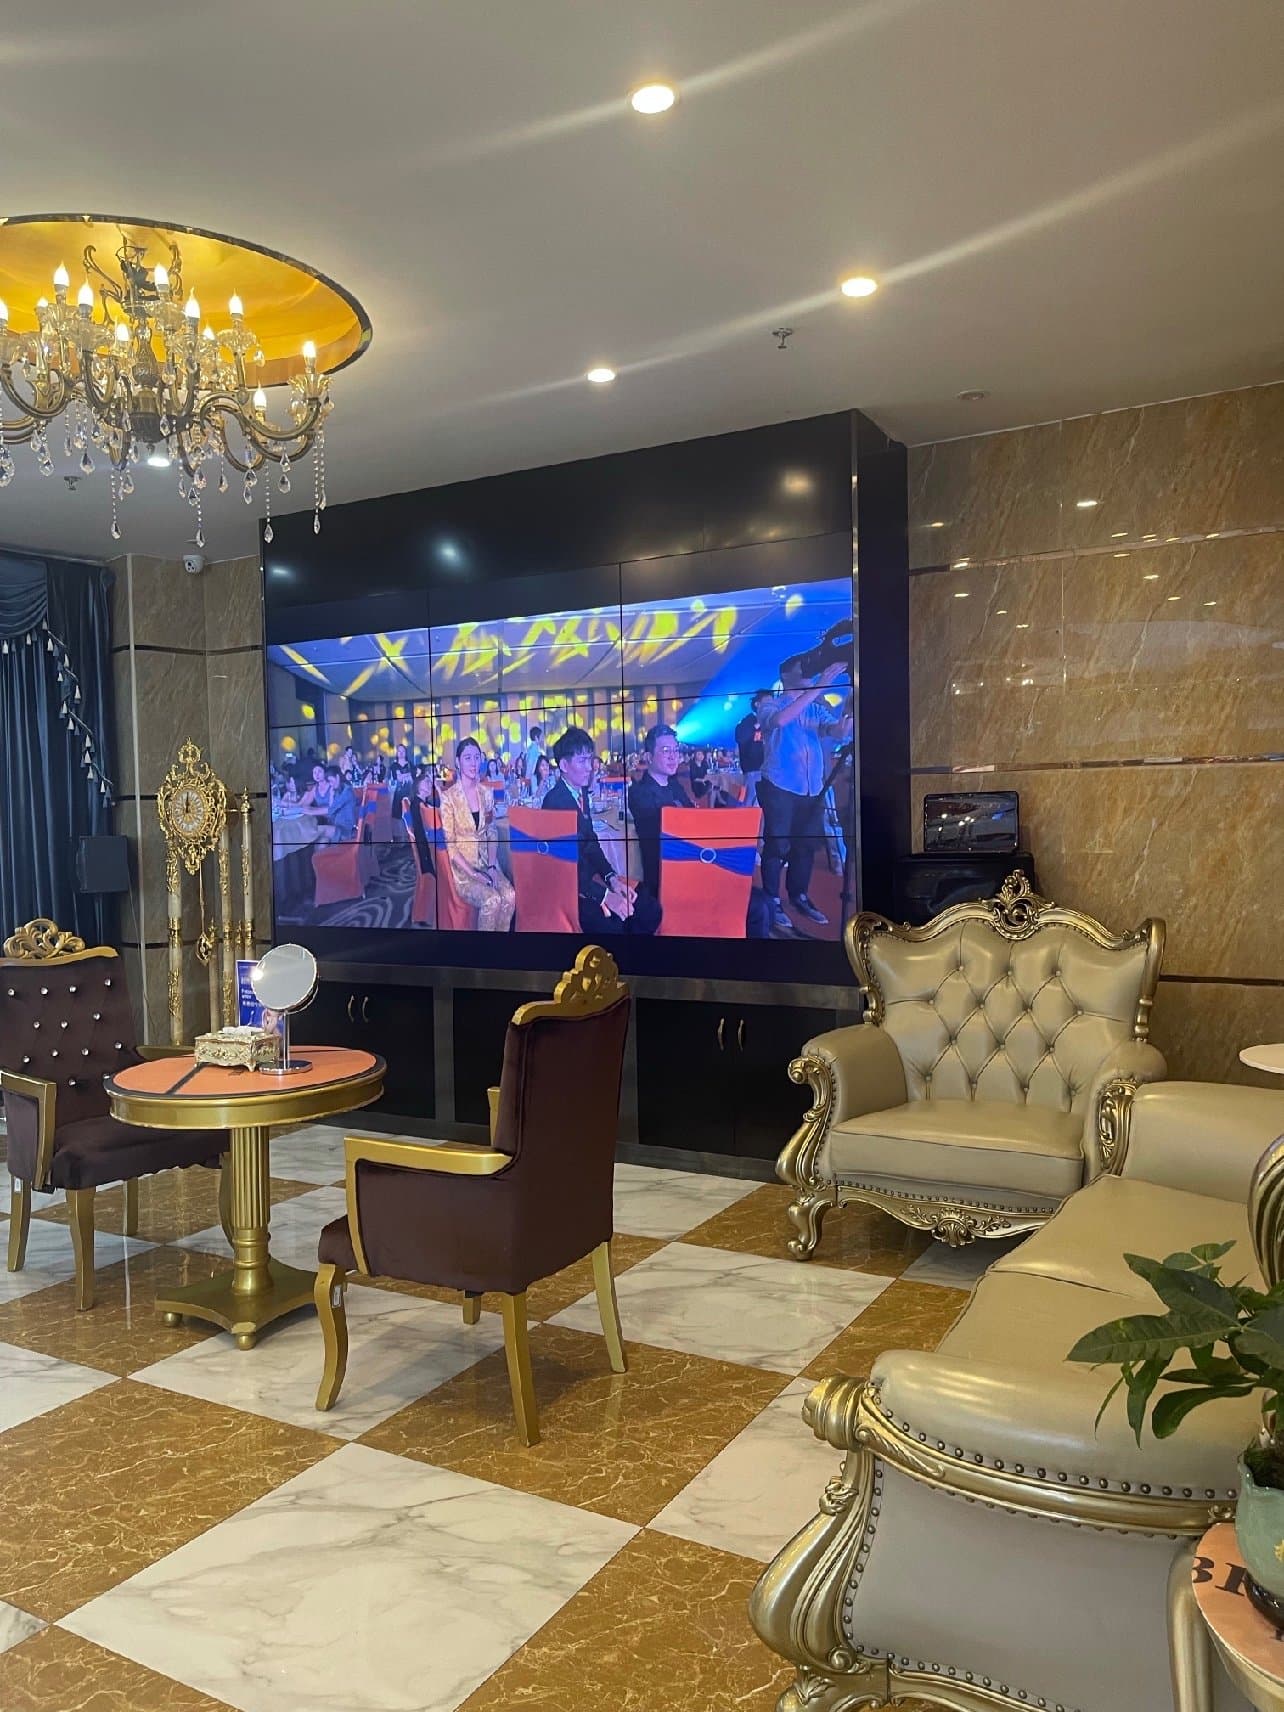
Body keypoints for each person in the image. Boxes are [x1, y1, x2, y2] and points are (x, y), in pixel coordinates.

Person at [757, 658, 852, 932]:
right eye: (803, 668)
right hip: (780, 786)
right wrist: (819, 687)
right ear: (786, 675)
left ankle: (798, 895)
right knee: (777, 846)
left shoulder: (815, 708)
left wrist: (850, 708)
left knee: (806, 847)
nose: (810, 672)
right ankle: (772, 899)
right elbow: (780, 721)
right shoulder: (770, 704)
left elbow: (838, 731)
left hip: (812, 788)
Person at [545, 726, 659, 934]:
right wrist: (605, 896)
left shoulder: (579, 792)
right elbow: (566, 867)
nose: (590, 767)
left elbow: (591, 845)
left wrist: (611, 878)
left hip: (589, 881)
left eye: (590, 759)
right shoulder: (556, 802)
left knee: (648, 906)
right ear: (564, 765)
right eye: (582, 761)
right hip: (570, 889)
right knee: (619, 922)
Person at [438, 736, 515, 931]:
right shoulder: (448, 798)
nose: (473, 763)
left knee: (510, 896)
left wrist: (492, 866)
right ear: (458, 762)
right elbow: (450, 845)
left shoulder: (486, 793)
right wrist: (474, 874)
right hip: (464, 869)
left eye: (477, 757)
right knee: (492, 900)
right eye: (467, 758)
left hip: (487, 863)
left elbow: (491, 831)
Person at [627, 724, 692, 903]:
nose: (673, 756)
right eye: (665, 751)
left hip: (690, 862)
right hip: (665, 876)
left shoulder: (675, 786)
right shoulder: (639, 793)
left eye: (676, 750)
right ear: (649, 757)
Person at [735, 692, 768, 807]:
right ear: (757, 704)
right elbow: (740, 737)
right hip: (753, 770)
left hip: (769, 770)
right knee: (752, 801)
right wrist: (756, 725)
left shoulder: (770, 721)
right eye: (767, 702)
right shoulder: (747, 721)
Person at [320, 764, 358, 843]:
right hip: (338, 827)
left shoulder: (347, 791)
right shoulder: (338, 791)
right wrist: (331, 795)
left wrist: (309, 811)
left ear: (337, 777)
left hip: (347, 831)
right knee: (322, 841)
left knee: (322, 830)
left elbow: (331, 810)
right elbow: (331, 814)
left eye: (331, 781)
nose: (331, 784)